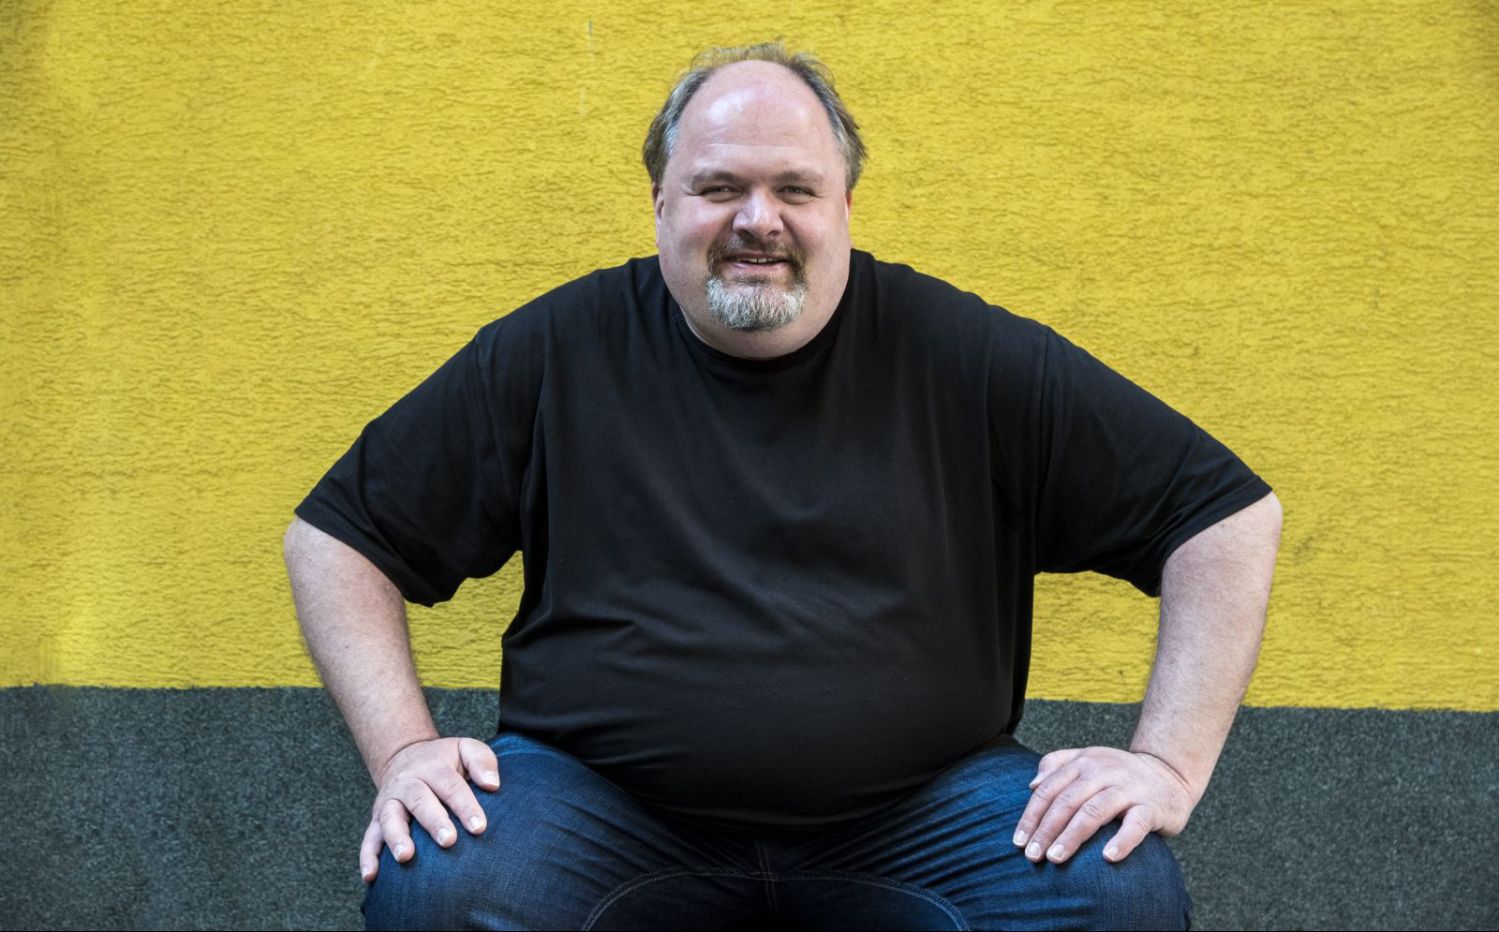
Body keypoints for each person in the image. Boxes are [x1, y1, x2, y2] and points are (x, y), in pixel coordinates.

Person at [283, 42, 1282, 931]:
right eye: (718, 186)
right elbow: (338, 538)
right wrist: (405, 753)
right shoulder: (556, 350)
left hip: (924, 816)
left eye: (794, 189)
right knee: (444, 884)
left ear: (843, 205)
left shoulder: (963, 354)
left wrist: (1164, 765)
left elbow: (1221, 516)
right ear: (661, 202)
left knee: (1110, 894)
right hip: (597, 811)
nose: (756, 220)